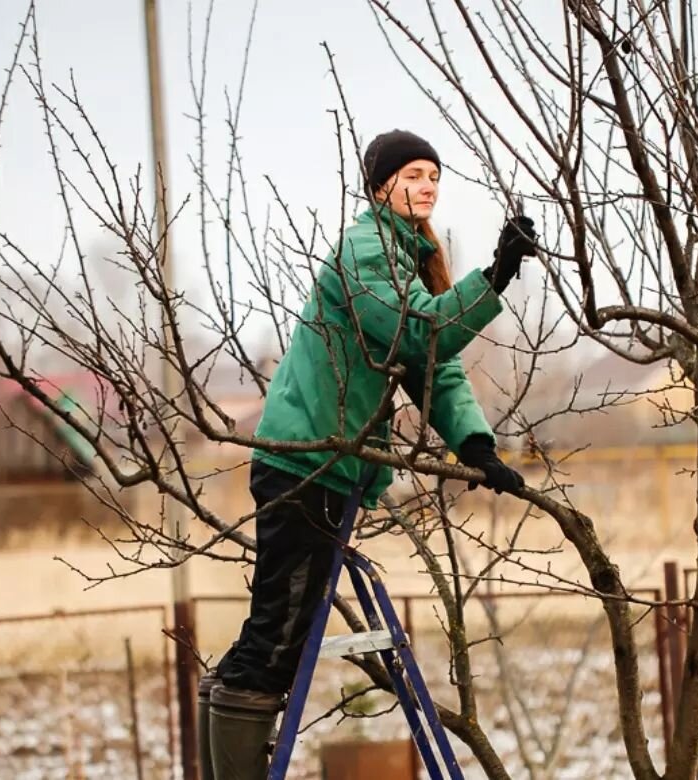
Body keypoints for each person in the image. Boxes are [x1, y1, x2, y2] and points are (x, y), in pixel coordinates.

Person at [202, 129, 538, 778]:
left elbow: (431, 365)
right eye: (414, 174)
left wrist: (475, 445)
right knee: (276, 641)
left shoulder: (403, 257)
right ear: (382, 184)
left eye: (434, 177)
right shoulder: (366, 249)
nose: (427, 187)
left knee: (273, 630)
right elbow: (417, 329)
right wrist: (494, 277)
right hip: (309, 465)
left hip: (326, 469)